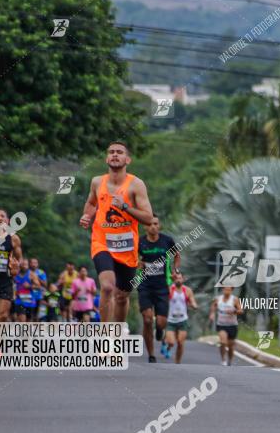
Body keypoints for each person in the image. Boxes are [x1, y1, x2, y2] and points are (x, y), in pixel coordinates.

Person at [79, 141, 153, 322]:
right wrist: (87, 216)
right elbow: (91, 203)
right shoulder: (97, 182)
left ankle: (117, 335)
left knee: (122, 296)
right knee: (107, 288)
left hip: (127, 247)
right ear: (106, 158)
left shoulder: (136, 185)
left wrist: (126, 207)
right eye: (111, 152)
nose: (114, 155)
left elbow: (148, 218)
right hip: (101, 242)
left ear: (127, 159)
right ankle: (106, 339)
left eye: (119, 152)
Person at [138, 215, 179, 363]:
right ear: (145, 227)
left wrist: (175, 271)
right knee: (147, 319)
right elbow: (131, 256)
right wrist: (137, 262)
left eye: (155, 224)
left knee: (161, 322)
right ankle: (151, 354)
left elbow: (177, 255)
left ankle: (160, 330)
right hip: (145, 285)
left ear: (159, 225)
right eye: (150, 224)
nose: (153, 227)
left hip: (162, 285)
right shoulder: (140, 241)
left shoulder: (166, 240)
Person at [163, 271, 197, 364]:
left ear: (183, 279)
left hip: (183, 320)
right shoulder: (170, 289)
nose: (178, 280)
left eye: (180, 278)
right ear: (174, 279)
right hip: (171, 320)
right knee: (171, 342)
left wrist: (194, 305)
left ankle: (177, 362)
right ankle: (168, 346)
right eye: (176, 278)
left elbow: (192, 301)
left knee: (181, 343)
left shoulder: (187, 290)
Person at [209, 285, 243, 366]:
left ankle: (230, 360)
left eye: (229, 290)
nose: (227, 291)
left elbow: (241, 311)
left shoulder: (234, 299)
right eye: (225, 289)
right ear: (223, 289)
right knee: (223, 342)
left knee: (231, 346)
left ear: (232, 290)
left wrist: (234, 311)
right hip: (221, 324)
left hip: (232, 325)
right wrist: (212, 314)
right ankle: (223, 359)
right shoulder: (218, 299)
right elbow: (213, 306)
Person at [28, 258, 47, 322]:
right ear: (29, 264)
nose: (34, 264)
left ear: (38, 264)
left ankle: (36, 328)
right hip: (28, 295)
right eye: (32, 263)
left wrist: (37, 277)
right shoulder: (26, 272)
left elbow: (45, 284)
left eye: (35, 263)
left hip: (38, 296)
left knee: (36, 314)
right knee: (29, 314)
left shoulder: (41, 272)